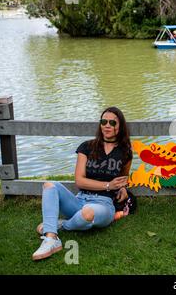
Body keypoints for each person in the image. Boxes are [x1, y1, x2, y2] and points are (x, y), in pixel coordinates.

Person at [32, 107, 133, 261]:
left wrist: (123, 188)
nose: (107, 125)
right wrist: (108, 185)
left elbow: (123, 179)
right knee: (49, 185)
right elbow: (79, 181)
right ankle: (51, 239)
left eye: (112, 122)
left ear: (120, 126)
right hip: (79, 199)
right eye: (103, 121)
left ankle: (62, 225)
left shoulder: (125, 152)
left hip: (104, 205)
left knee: (87, 213)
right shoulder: (86, 147)